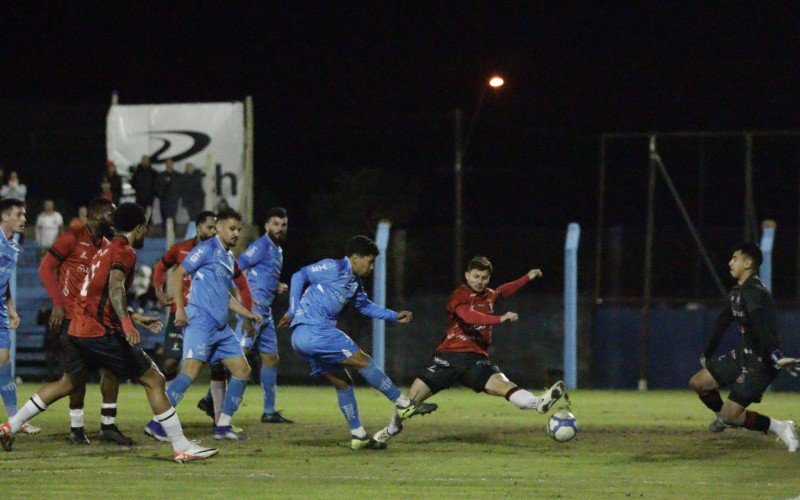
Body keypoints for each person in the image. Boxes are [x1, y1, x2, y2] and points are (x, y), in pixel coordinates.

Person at [0, 203, 217, 462]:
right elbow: (115, 287)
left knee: (67, 383)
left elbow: (97, 293)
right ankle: (181, 446)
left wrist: (135, 317)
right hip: (100, 332)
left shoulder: (103, 249)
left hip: (78, 329)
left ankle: (10, 426)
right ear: (138, 228)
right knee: (155, 380)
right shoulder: (123, 250)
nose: (145, 232)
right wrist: (127, 325)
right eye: (145, 227)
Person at [372, 256, 565, 447]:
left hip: (475, 360)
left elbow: (503, 291)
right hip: (448, 358)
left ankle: (538, 403)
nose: (479, 281)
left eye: (484, 277)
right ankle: (392, 428)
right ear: (467, 275)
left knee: (504, 385)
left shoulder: (489, 295)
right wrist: (500, 318)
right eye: (476, 276)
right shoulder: (460, 295)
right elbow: (469, 316)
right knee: (407, 402)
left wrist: (528, 277)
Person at [277, 235, 437, 450]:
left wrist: (393, 315)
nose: (372, 267)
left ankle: (358, 435)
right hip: (314, 331)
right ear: (354, 258)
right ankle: (404, 403)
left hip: (303, 338)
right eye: (370, 261)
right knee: (363, 360)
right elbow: (299, 275)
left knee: (343, 383)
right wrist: (292, 309)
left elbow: (365, 306)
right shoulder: (332, 267)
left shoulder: (355, 284)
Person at [144, 208, 262, 441]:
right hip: (200, 320)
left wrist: (247, 313)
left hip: (220, 326)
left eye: (239, 229)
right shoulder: (205, 249)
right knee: (190, 372)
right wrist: (180, 310)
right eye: (232, 228)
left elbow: (225, 295)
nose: (236, 234)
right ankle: (157, 425)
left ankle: (223, 427)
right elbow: (178, 274)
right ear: (218, 227)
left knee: (242, 370)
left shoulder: (228, 257)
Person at [38, 198, 134, 445]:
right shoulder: (71, 237)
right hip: (72, 317)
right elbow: (46, 268)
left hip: (99, 319)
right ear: (96, 216)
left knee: (112, 369)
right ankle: (76, 428)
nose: (114, 220)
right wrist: (58, 303)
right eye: (110, 215)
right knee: (75, 377)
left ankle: (108, 425)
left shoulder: (106, 245)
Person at [688, 242, 800, 452]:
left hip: (761, 363)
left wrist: (776, 356)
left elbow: (762, 328)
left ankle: (781, 427)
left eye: (735, 259)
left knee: (733, 415)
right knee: (699, 383)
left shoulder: (755, 293)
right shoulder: (738, 292)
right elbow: (722, 321)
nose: (730, 262)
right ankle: (723, 416)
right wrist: (708, 352)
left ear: (748, 263)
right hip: (745, 355)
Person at [235, 207, 292, 423]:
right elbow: (236, 268)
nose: (279, 228)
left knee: (271, 359)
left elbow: (260, 275)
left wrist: (275, 286)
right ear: (267, 225)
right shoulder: (261, 246)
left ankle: (269, 411)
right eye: (275, 224)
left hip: (265, 313)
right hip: (253, 311)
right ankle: (213, 401)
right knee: (239, 356)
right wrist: (242, 297)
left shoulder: (277, 250)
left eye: (283, 225)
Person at [0, 199, 39, 435]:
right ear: (4, 217)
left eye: (24, 214)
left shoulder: (13, 245)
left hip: (1, 311)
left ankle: (14, 419)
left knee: (4, 362)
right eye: (18, 214)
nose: (24, 219)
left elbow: (3, 283)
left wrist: (12, 309)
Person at [155, 160, 181, 226]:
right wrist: (160, 195)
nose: (169, 165)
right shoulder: (160, 175)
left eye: (170, 163)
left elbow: (181, 187)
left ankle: (173, 234)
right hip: (164, 200)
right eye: (167, 163)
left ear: (173, 164)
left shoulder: (178, 175)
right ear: (165, 165)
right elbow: (156, 187)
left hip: (174, 200)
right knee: (164, 218)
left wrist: (178, 195)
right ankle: (164, 233)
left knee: (173, 218)